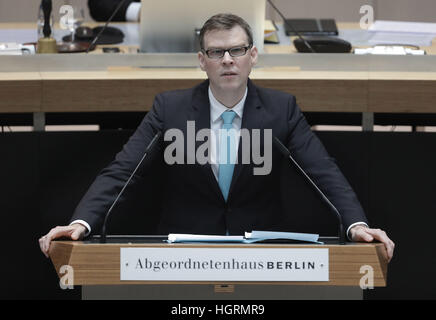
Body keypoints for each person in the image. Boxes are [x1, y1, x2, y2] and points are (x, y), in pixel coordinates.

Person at [39, 13, 394, 262]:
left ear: (252, 56)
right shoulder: (171, 109)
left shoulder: (280, 109)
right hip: (181, 252)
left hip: (261, 253)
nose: (227, 60)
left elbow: (324, 172)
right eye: (216, 52)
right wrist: (80, 222)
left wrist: (356, 225)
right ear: (202, 60)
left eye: (237, 50)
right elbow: (123, 172)